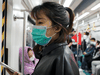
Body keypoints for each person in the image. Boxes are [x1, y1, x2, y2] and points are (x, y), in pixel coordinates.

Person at [6, 2, 79, 75]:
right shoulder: (49, 52)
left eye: (40, 22)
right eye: (35, 23)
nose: (35, 27)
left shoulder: (62, 58)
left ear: (57, 28)